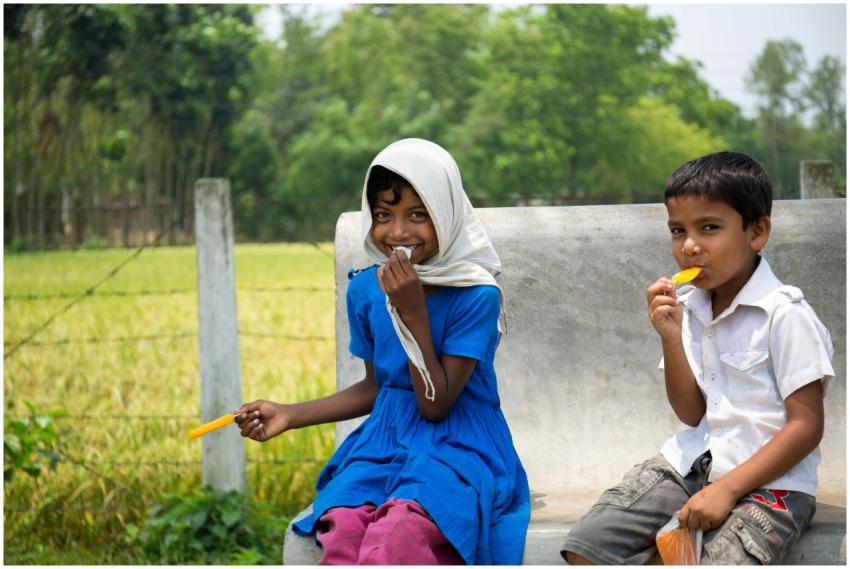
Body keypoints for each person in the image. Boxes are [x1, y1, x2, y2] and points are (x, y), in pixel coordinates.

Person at [234, 138, 530, 565]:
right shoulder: (365, 289)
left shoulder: (476, 295)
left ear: (446, 215)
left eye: (418, 214)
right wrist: (289, 413)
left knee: (401, 533)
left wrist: (413, 314)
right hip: (385, 439)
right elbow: (378, 387)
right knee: (345, 526)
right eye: (383, 215)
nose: (398, 232)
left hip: (459, 443)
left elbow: (436, 404)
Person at [560, 151, 834, 565]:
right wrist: (670, 337)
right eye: (677, 230)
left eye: (709, 228)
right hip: (692, 465)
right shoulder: (689, 308)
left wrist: (726, 490)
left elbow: (806, 426)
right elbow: (691, 414)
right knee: (585, 545)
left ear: (756, 232)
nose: (689, 246)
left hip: (774, 485)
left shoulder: (785, 314)